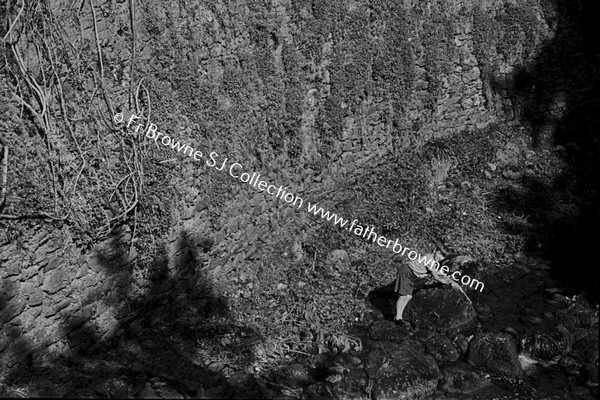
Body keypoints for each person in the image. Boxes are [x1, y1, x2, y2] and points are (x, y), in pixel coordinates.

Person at [393, 248, 452, 327]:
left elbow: (431, 271)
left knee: (408, 296)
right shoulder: (429, 259)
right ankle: (398, 318)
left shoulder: (433, 261)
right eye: (439, 254)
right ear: (434, 251)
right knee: (403, 296)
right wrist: (443, 281)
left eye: (443, 256)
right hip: (407, 271)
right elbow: (435, 276)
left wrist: (442, 274)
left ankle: (398, 316)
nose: (440, 257)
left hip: (411, 275)